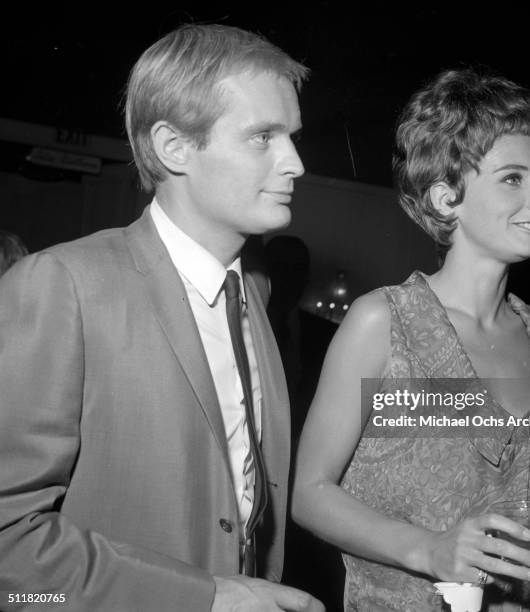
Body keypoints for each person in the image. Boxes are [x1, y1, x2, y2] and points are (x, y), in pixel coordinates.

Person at [0, 24, 323, 612]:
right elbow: (7, 551)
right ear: (174, 147)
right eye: (262, 137)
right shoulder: (62, 286)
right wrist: (202, 597)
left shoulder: (254, 285)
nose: (295, 163)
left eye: (293, 137)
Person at [292, 69, 530, 611]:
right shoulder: (383, 323)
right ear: (446, 198)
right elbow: (309, 495)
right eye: (514, 178)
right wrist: (430, 550)